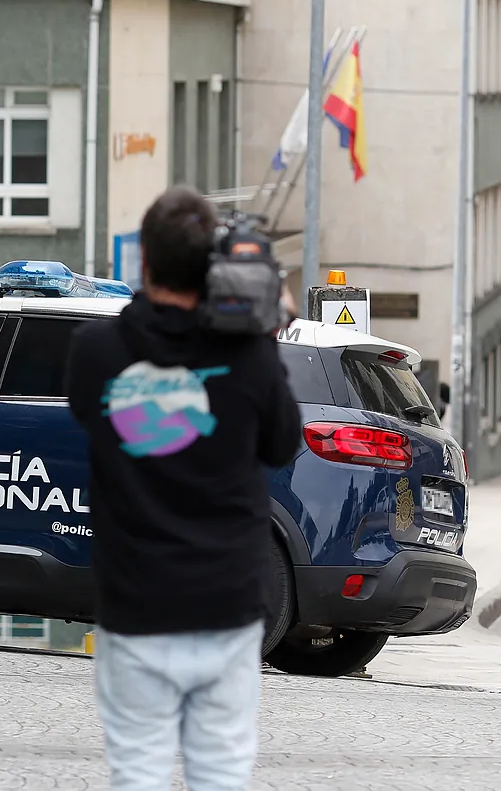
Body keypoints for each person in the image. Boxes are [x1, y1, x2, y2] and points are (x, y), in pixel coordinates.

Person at [64, 186, 303, 790]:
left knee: (137, 773)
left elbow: (91, 412)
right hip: (227, 604)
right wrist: (266, 329)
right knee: (220, 775)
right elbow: (282, 444)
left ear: (143, 261)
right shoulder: (248, 356)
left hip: (135, 603)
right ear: (213, 267)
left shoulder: (97, 351)